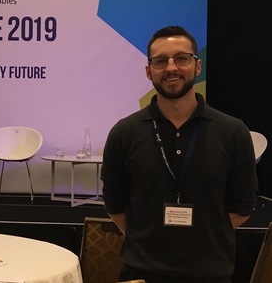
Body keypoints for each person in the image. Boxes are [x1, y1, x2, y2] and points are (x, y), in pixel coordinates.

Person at [101, 25, 258, 283]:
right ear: (148, 71)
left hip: (210, 274)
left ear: (197, 66)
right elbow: (115, 206)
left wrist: (203, 236)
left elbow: (242, 206)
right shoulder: (124, 133)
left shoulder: (232, 131)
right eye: (161, 61)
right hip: (142, 273)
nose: (171, 67)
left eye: (181, 58)